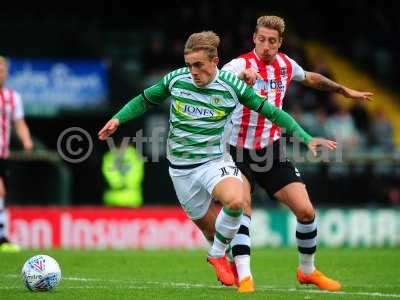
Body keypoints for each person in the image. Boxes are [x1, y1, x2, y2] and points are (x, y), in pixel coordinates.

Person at [98, 31, 336, 293]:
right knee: (213, 230)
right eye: (189, 65)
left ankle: (217, 254)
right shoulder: (176, 80)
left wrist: (305, 137)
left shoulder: (232, 86)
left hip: (214, 161)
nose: (193, 72)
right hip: (181, 171)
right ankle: (223, 253)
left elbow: (273, 112)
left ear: (214, 61)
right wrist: (118, 119)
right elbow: (144, 100)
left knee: (236, 201)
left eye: (199, 65)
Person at [222, 16, 373, 291]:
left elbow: (310, 77)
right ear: (254, 38)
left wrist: (342, 89)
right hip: (236, 151)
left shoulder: (285, 64)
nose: (266, 46)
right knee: (242, 208)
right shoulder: (239, 64)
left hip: (271, 150)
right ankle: (245, 276)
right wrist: (242, 77)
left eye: (273, 41)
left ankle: (307, 271)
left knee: (305, 211)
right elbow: (222, 78)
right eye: (262, 39)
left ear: (279, 43)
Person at [0, 56, 34, 252]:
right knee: (0, 191)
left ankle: (2, 237)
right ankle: (2, 237)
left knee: (2, 193)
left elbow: (19, 122)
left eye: (2, 69)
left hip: (2, 155)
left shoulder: (13, 98)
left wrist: (26, 140)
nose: (0, 72)